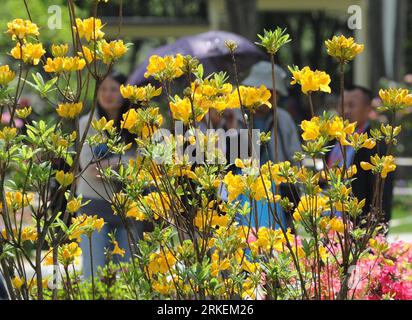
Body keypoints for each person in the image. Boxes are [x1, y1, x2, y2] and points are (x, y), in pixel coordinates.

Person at [77, 71, 141, 278]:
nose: (107, 94)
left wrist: (110, 164)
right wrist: (126, 161)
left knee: (126, 275)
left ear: (125, 93)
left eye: (113, 89)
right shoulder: (87, 124)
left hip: (127, 209)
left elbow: (143, 167)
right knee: (93, 273)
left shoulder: (137, 126)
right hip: (92, 206)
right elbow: (91, 170)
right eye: (103, 89)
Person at [224, 61, 302, 229]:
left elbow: (295, 156)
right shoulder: (236, 116)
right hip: (245, 190)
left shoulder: (283, 118)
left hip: (277, 190)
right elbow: (229, 158)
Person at [327, 85, 394, 225]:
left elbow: (383, 194)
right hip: (331, 226)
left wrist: (376, 228)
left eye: (351, 105)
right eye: (342, 105)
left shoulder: (375, 145)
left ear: (368, 109)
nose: (345, 110)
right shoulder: (332, 140)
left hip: (358, 228)